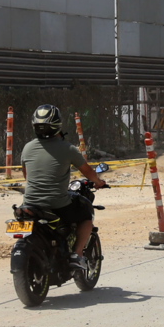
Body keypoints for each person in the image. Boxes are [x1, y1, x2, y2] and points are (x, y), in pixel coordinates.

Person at [20, 104, 106, 271]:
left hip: (29, 204)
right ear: (57, 125)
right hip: (57, 204)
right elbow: (88, 172)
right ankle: (77, 254)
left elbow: (27, 176)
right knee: (86, 216)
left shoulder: (27, 148)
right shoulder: (68, 149)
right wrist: (98, 182)